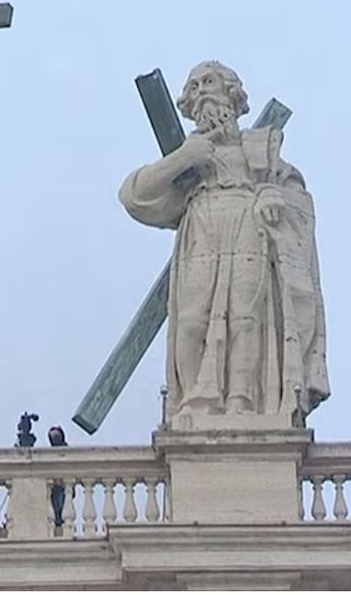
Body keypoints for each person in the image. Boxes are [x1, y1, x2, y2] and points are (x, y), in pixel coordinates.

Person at [119, 61, 329, 427]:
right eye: (194, 86)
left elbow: (297, 196)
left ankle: (241, 402)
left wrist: (271, 195)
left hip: (251, 229)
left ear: (231, 93)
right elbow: (134, 195)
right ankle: (194, 402)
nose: (201, 91)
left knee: (247, 318)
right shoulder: (188, 158)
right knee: (191, 321)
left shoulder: (261, 149)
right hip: (202, 226)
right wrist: (185, 157)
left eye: (209, 82)